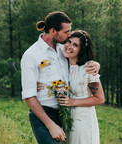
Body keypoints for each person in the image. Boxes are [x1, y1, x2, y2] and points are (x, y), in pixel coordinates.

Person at [21, 11, 100, 144]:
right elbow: (29, 96)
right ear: (53, 31)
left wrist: (96, 65)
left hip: (64, 113)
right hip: (44, 114)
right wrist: (50, 125)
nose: (70, 35)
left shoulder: (64, 48)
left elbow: (82, 58)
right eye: (66, 32)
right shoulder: (31, 55)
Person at [57, 30, 105, 144]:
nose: (69, 46)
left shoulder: (88, 69)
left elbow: (100, 98)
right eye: (68, 42)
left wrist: (72, 102)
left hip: (83, 118)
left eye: (75, 45)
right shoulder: (64, 65)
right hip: (68, 118)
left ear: (81, 50)